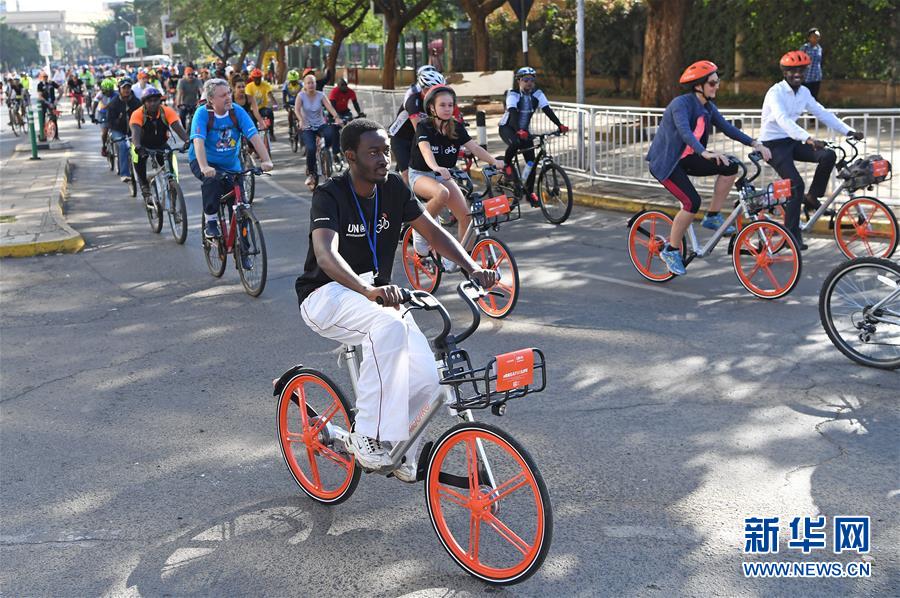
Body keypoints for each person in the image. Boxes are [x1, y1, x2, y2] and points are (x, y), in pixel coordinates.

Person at [295, 118, 498, 476]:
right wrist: (366, 290)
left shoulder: (394, 188)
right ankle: (367, 434)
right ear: (350, 156)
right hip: (327, 293)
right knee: (387, 329)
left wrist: (471, 267)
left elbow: (433, 233)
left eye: (386, 151)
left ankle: (402, 452)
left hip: (380, 297)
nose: (384, 159)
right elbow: (326, 254)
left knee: (428, 379)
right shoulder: (330, 194)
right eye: (373, 152)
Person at [647, 60, 772, 276]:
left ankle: (712, 215)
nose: (717, 86)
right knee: (691, 202)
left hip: (688, 158)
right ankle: (671, 250)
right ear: (698, 86)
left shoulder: (707, 108)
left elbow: (728, 128)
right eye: (712, 83)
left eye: (717, 82)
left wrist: (755, 143)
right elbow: (685, 132)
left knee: (730, 166)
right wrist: (704, 152)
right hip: (667, 163)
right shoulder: (680, 104)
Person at [759, 51, 862, 249]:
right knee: (796, 184)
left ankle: (813, 197)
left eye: (801, 70)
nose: (797, 74)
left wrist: (848, 131)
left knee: (828, 155)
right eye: (793, 71)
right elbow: (783, 119)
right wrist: (807, 138)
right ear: (784, 72)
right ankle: (791, 236)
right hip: (772, 144)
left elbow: (822, 113)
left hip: (791, 140)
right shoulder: (775, 92)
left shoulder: (804, 92)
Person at [408, 85, 504, 266]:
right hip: (421, 174)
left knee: (466, 217)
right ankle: (420, 230)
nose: (447, 109)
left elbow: (474, 148)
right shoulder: (424, 126)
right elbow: (426, 151)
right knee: (441, 193)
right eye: (442, 105)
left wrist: (494, 162)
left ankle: (461, 260)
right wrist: (436, 167)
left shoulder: (456, 128)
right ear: (432, 108)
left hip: (443, 175)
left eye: (450, 105)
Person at [188, 78, 273, 240]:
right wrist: (204, 167)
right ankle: (211, 221)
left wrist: (266, 160)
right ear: (211, 99)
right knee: (212, 182)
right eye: (222, 95)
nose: (228, 97)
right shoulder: (202, 114)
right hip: (203, 160)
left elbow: (253, 136)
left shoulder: (237, 111)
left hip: (230, 164)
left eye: (228, 93)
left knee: (239, 202)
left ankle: (243, 246)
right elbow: (198, 141)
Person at [499, 66, 568, 200]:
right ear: (519, 81)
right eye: (526, 80)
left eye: (532, 80)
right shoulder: (513, 94)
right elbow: (512, 113)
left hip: (524, 131)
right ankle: (506, 165)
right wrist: (518, 130)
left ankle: (529, 192)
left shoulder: (538, 94)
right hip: (508, 127)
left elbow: (547, 110)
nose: (529, 83)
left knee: (531, 162)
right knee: (516, 143)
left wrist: (560, 125)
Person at [130, 87, 190, 205]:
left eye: (155, 100)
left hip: (160, 144)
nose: (153, 103)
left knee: (170, 161)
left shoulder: (166, 111)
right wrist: (137, 146)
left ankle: (172, 184)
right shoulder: (137, 114)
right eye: (149, 101)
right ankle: (145, 188)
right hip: (142, 145)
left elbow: (177, 127)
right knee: (138, 159)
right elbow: (135, 132)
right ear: (144, 102)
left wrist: (187, 140)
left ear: (160, 100)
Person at [388, 66, 445, 185]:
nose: (438, 94)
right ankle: (405, 197)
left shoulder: (437, 102)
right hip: (400, 138)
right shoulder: (413, 100)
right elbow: (419, 129)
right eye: (435, 91)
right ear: (425, 89)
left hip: (415, 139)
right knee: (407, 174)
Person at [295, 73, 341, 189]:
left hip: (320, 124)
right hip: (307, 127)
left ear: (316, 84)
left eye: (313, 83)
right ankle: (311, 173)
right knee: (311, 148)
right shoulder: (301, 96)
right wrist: (301, 120)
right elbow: (297, 110)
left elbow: (329, 107)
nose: (311, 85)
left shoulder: (321, 95)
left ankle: (327, 154)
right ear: (305, 85)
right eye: (308, 83)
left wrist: (336, 117)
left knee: (331, 133)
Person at [106, 78, 142, 181]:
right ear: (119, 89)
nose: (126, 90)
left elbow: (143, 116)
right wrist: (118, 120)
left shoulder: (136, 102)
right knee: (123, 146)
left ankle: (141, 172)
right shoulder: (113, 103)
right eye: (124, 88)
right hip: (117, 130)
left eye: (128, 87)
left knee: (139, 146)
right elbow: (110, 121)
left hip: (133, 130)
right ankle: (125, 174)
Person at [246, 68, 278, 140]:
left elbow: (270, 95)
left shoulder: (265, 85)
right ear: (253, 78)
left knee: (269, 113)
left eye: (259, 78)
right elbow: (248, 99)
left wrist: (275, 105)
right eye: (255, 78)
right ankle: (254, 137)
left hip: (262, 108)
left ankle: (271, 133)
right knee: (251, 120)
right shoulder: (249, 86)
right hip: (252, 110)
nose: (257, 80)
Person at [92, 77, 117, 156]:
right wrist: (93, 115)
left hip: (113, 113)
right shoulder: (100, 94)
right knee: (104, 131)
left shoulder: (116, 94)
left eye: (110, 91)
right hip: (102, 113)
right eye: (106, 91)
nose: (108, 93)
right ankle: (104, 146)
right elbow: (95, 103)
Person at [800, 28, 823, 99]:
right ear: (809, 38)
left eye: (817, 37)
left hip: (816, 77)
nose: (816, 38)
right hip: (806, 77)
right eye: (814, 37)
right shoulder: (805, 48)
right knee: (804, 97)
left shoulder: (819, 48)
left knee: (814, 98)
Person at [37, 72, 61, 140]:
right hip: (44, 103)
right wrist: (47, 102)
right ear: (41, 78)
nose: (45, 78)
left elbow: (61, 90)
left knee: (54, 119)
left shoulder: (52, 83)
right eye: (44, 77)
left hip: (52, 103)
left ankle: (56, 135)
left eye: (46, 76)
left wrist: (57, 100)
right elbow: (40, 96)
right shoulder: (40, 85)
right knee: (42, 119)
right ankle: (42, 135)